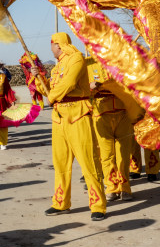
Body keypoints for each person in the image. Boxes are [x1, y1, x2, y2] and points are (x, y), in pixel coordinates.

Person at [33, 33, 106, 221]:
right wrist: (37, 78)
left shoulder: (76, 58)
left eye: (51, 45)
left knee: (88, 162)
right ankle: (61, 202)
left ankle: (98, 205)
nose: (51, 48)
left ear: (58, 44)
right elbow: (50, 89)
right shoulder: (57, 67)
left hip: (78, 115)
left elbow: (70, 83)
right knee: (60, 164)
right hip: (58, 118)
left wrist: (51, 97)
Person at [87, 57, 133, 202]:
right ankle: (111, 187)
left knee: (124, 155)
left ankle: (125, 188)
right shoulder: (87, 65)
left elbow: (134, 83)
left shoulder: (123, 60)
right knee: (107, 155)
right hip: (101, 114)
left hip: (123, 113)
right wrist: (91, 86)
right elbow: (80, 88)